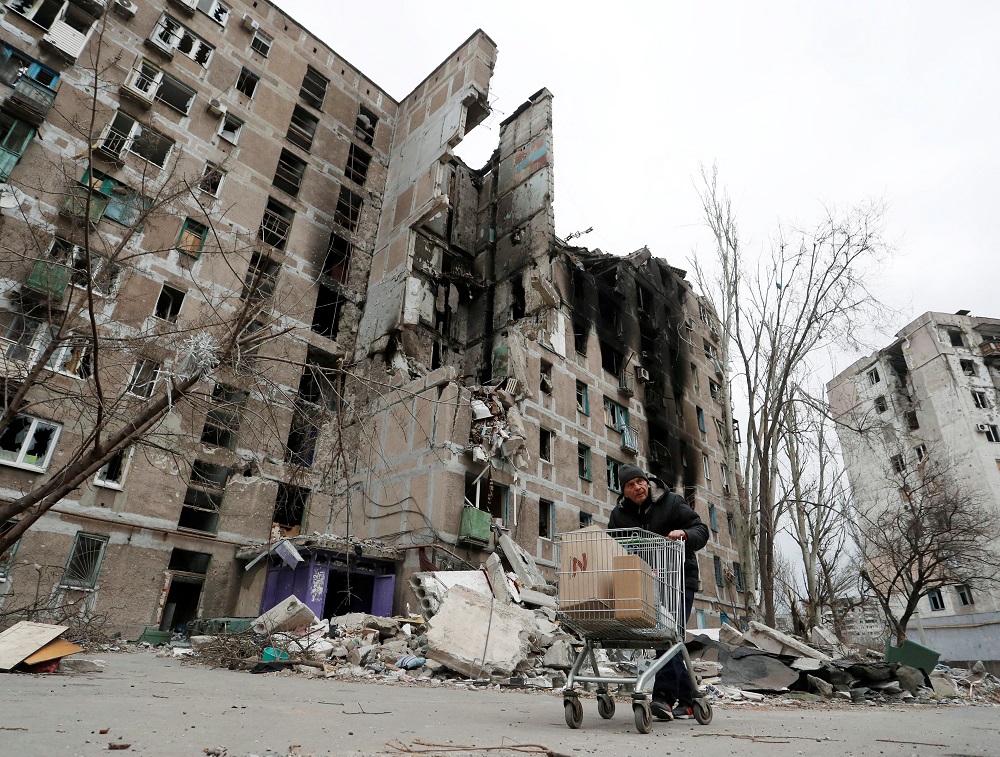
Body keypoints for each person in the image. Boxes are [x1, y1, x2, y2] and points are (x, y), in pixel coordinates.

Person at [608, 463, 708, 721]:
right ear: (624, 492)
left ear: (647, 482)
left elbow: (701, 530)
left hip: (679, 579)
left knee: (668, 635)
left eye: (640, 481)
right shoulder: (619, 515)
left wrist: (684, 534)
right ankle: (689, 700)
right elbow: (611, 545)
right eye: (630, 485)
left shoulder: (671, 502)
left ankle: (663, 698)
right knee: (668, 639)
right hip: (645, 583)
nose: (637, 487)